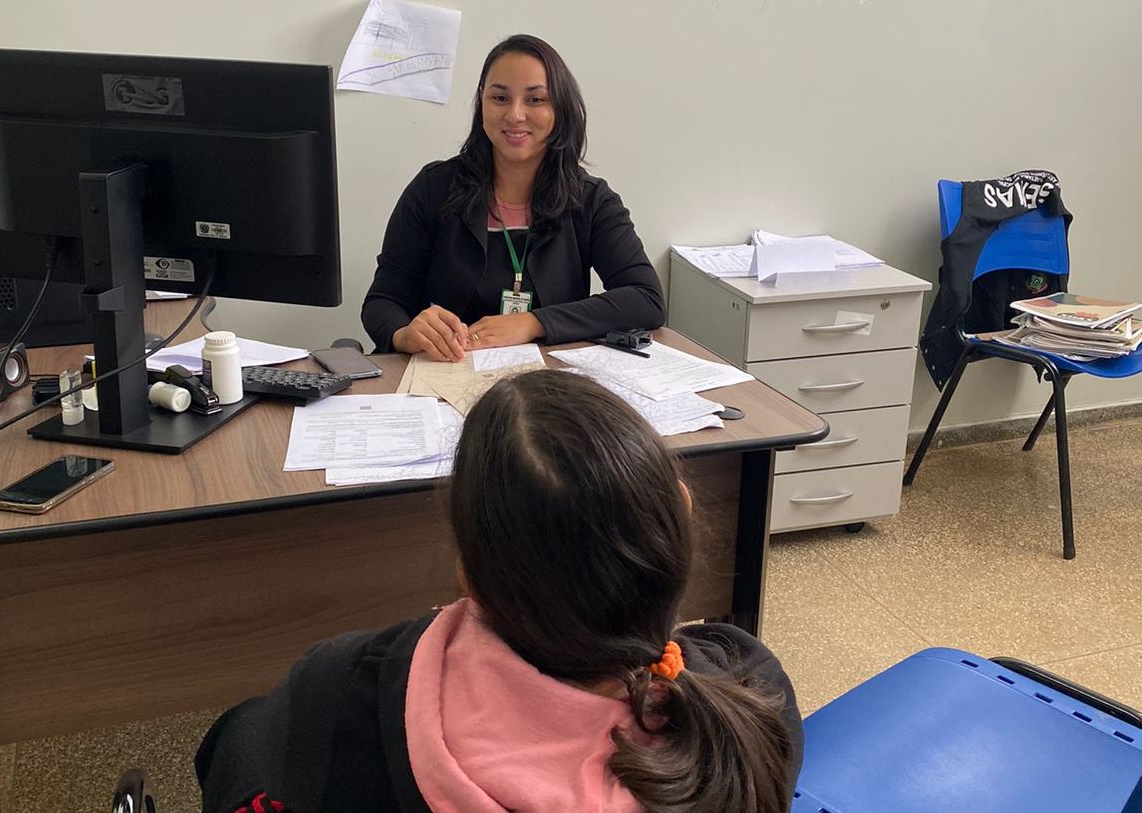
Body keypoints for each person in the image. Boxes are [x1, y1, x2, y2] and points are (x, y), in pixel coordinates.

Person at [196, 370, 803, 813]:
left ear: (468, 574)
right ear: (683, 514)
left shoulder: (340, 686)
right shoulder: (753, 697)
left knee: (239, 729)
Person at [361, 35, 666, 361]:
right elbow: (382, 301)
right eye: (500, 98)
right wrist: (404, 333)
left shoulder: (591, 200)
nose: (515, 115)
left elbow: (646, 299)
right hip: (445, 372)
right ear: (482, 102)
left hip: (546, 383)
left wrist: (533, 322)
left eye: (535, 100)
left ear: (560, 108)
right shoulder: (433, 188)